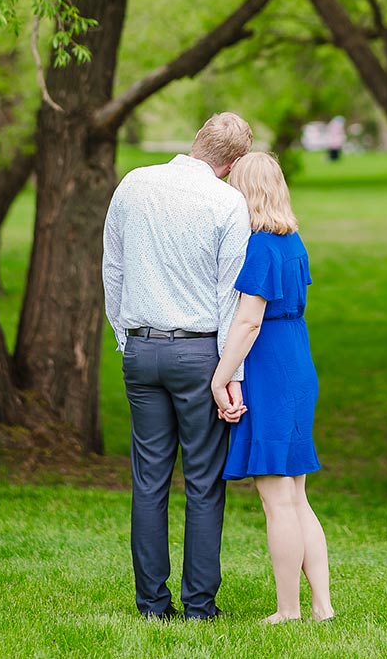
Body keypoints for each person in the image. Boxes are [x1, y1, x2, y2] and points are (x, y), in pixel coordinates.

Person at [102, 112, 253, 622]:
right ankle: (198, 607)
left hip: (141, 350)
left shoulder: (134, 183)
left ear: (196, 143)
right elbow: (230, 297)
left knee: (148, 480)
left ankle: (151, 606)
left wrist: (125, 337)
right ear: (231, 165)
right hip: (200, 355)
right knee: (204, 482)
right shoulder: (229, 202)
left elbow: (113, 266)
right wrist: (231, 379)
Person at [211, 151, 333, 624]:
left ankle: (289, 609)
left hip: (270, 369)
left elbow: (248, 321)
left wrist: (221, 376)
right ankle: (321, 606)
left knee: (276, 497)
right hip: (298, 361)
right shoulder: (293, 240)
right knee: (296, 493)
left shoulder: (260, 246)